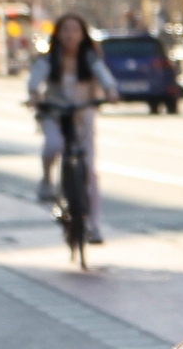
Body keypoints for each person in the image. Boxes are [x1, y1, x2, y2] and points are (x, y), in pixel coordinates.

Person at [26, 13, 120, 244]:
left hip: (82, 115)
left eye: (75, 30)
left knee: (89, 171)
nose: (70, 35)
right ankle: (47, 181)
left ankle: (94, 226)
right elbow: (35, 80)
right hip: (55, 114)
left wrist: (110, 91)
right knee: (54, 145)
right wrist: (34, 95)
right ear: (57, 34)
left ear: (82, 35)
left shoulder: (89, 58)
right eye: (65, 30)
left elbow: (104, 77)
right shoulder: (50, 59)